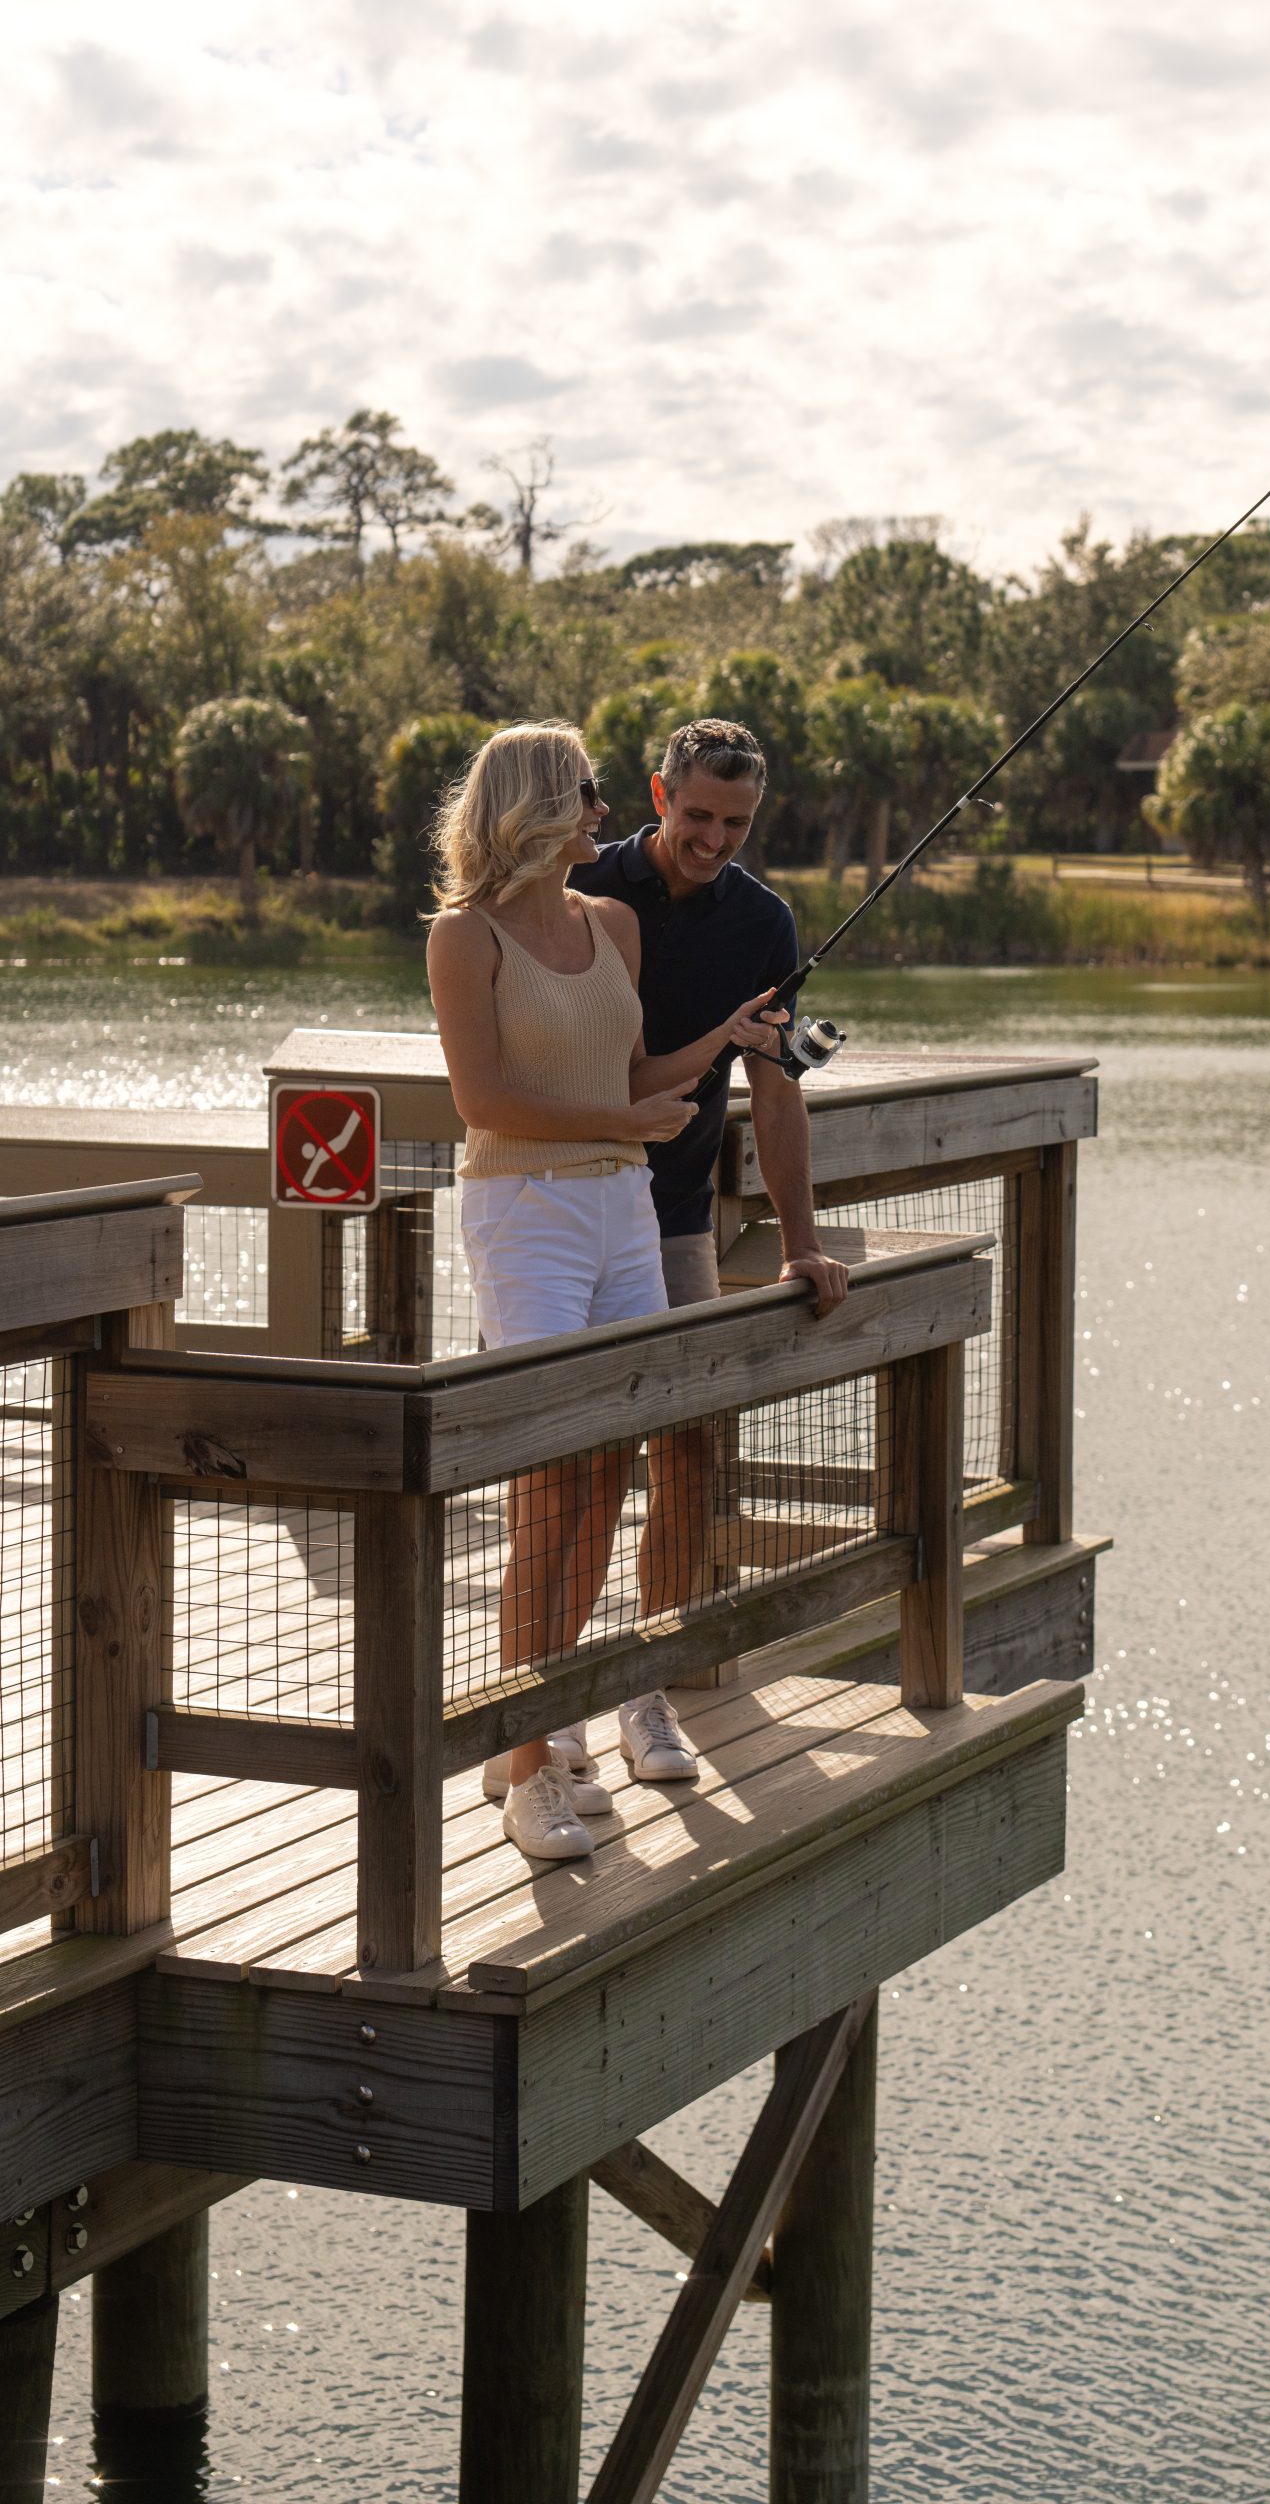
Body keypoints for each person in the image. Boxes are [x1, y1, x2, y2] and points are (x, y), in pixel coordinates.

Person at [426, 721, 787, 1863]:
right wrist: (619, 1122)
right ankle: (530, 1762)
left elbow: (628, 1076)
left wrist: (715, 1047)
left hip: (626, 1211)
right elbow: (484, 1100)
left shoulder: (613, 924)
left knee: (612, 1465)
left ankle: (537, 1718)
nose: (602, 814)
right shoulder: (462, 937)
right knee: (550, 1476)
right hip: (524, 1214)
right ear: (535, 805)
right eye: (585, 794)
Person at [569, 716, 851, 1631]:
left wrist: (802, 1246)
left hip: (677, 1216)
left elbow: (777, 1091)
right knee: (574, 1456)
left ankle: (652, 1678)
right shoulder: (576, 884)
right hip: (566, 1205)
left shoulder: (764, 923)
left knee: (691, 1446)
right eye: (697, 815)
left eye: (735, 825)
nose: (712, 842)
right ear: (658, 794)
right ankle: (546, 1691)